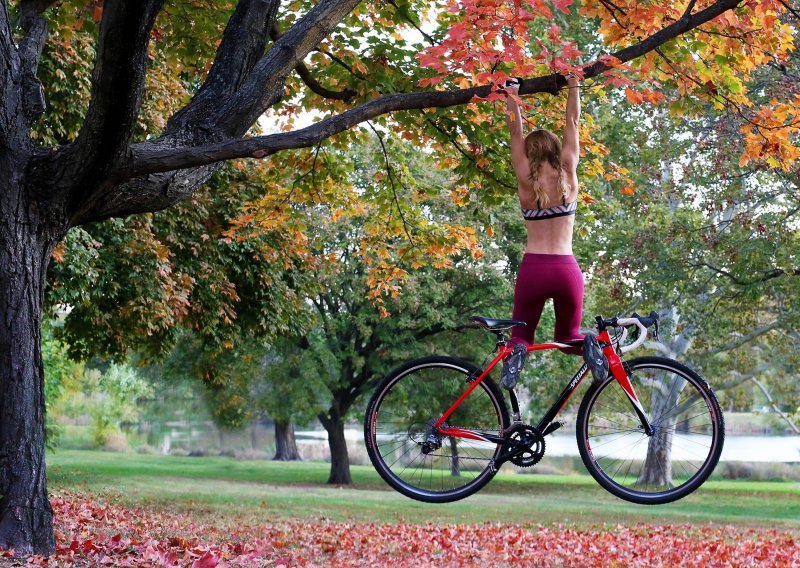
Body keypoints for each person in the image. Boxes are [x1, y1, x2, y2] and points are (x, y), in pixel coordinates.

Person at [500, 74, 591, 390]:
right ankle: (587, 345)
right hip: (566, 270)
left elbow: (515, 131)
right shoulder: (568, 170)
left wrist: (512, 93)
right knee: (569, 336)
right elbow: (573, 122)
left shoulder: (526, 177)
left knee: (520, 336)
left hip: (534, 270)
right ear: (554, 149)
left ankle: (515, 356)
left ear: (529, 154)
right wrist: (574, 83)